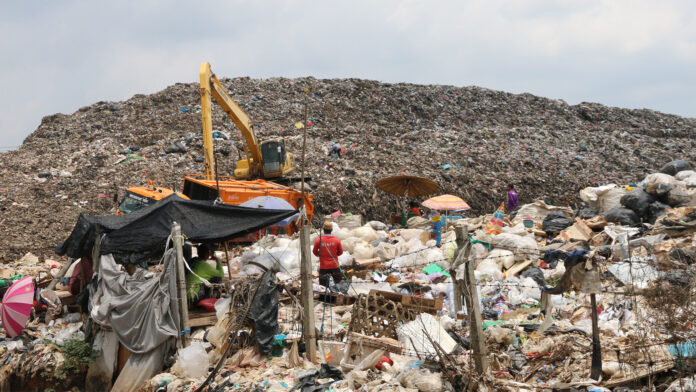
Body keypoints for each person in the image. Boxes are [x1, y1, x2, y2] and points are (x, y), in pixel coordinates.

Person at [313, 221, 344, 287]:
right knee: (339, 285)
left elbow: (314, 251)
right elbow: (341, 252)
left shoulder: (318, 240)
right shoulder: (336, 240)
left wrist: (319, 254)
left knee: (323, 287)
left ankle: (324, 297)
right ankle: (335, 297)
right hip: (335, 266)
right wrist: (334, 254)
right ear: (331, 230)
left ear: (323, 230)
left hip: (324, 267)